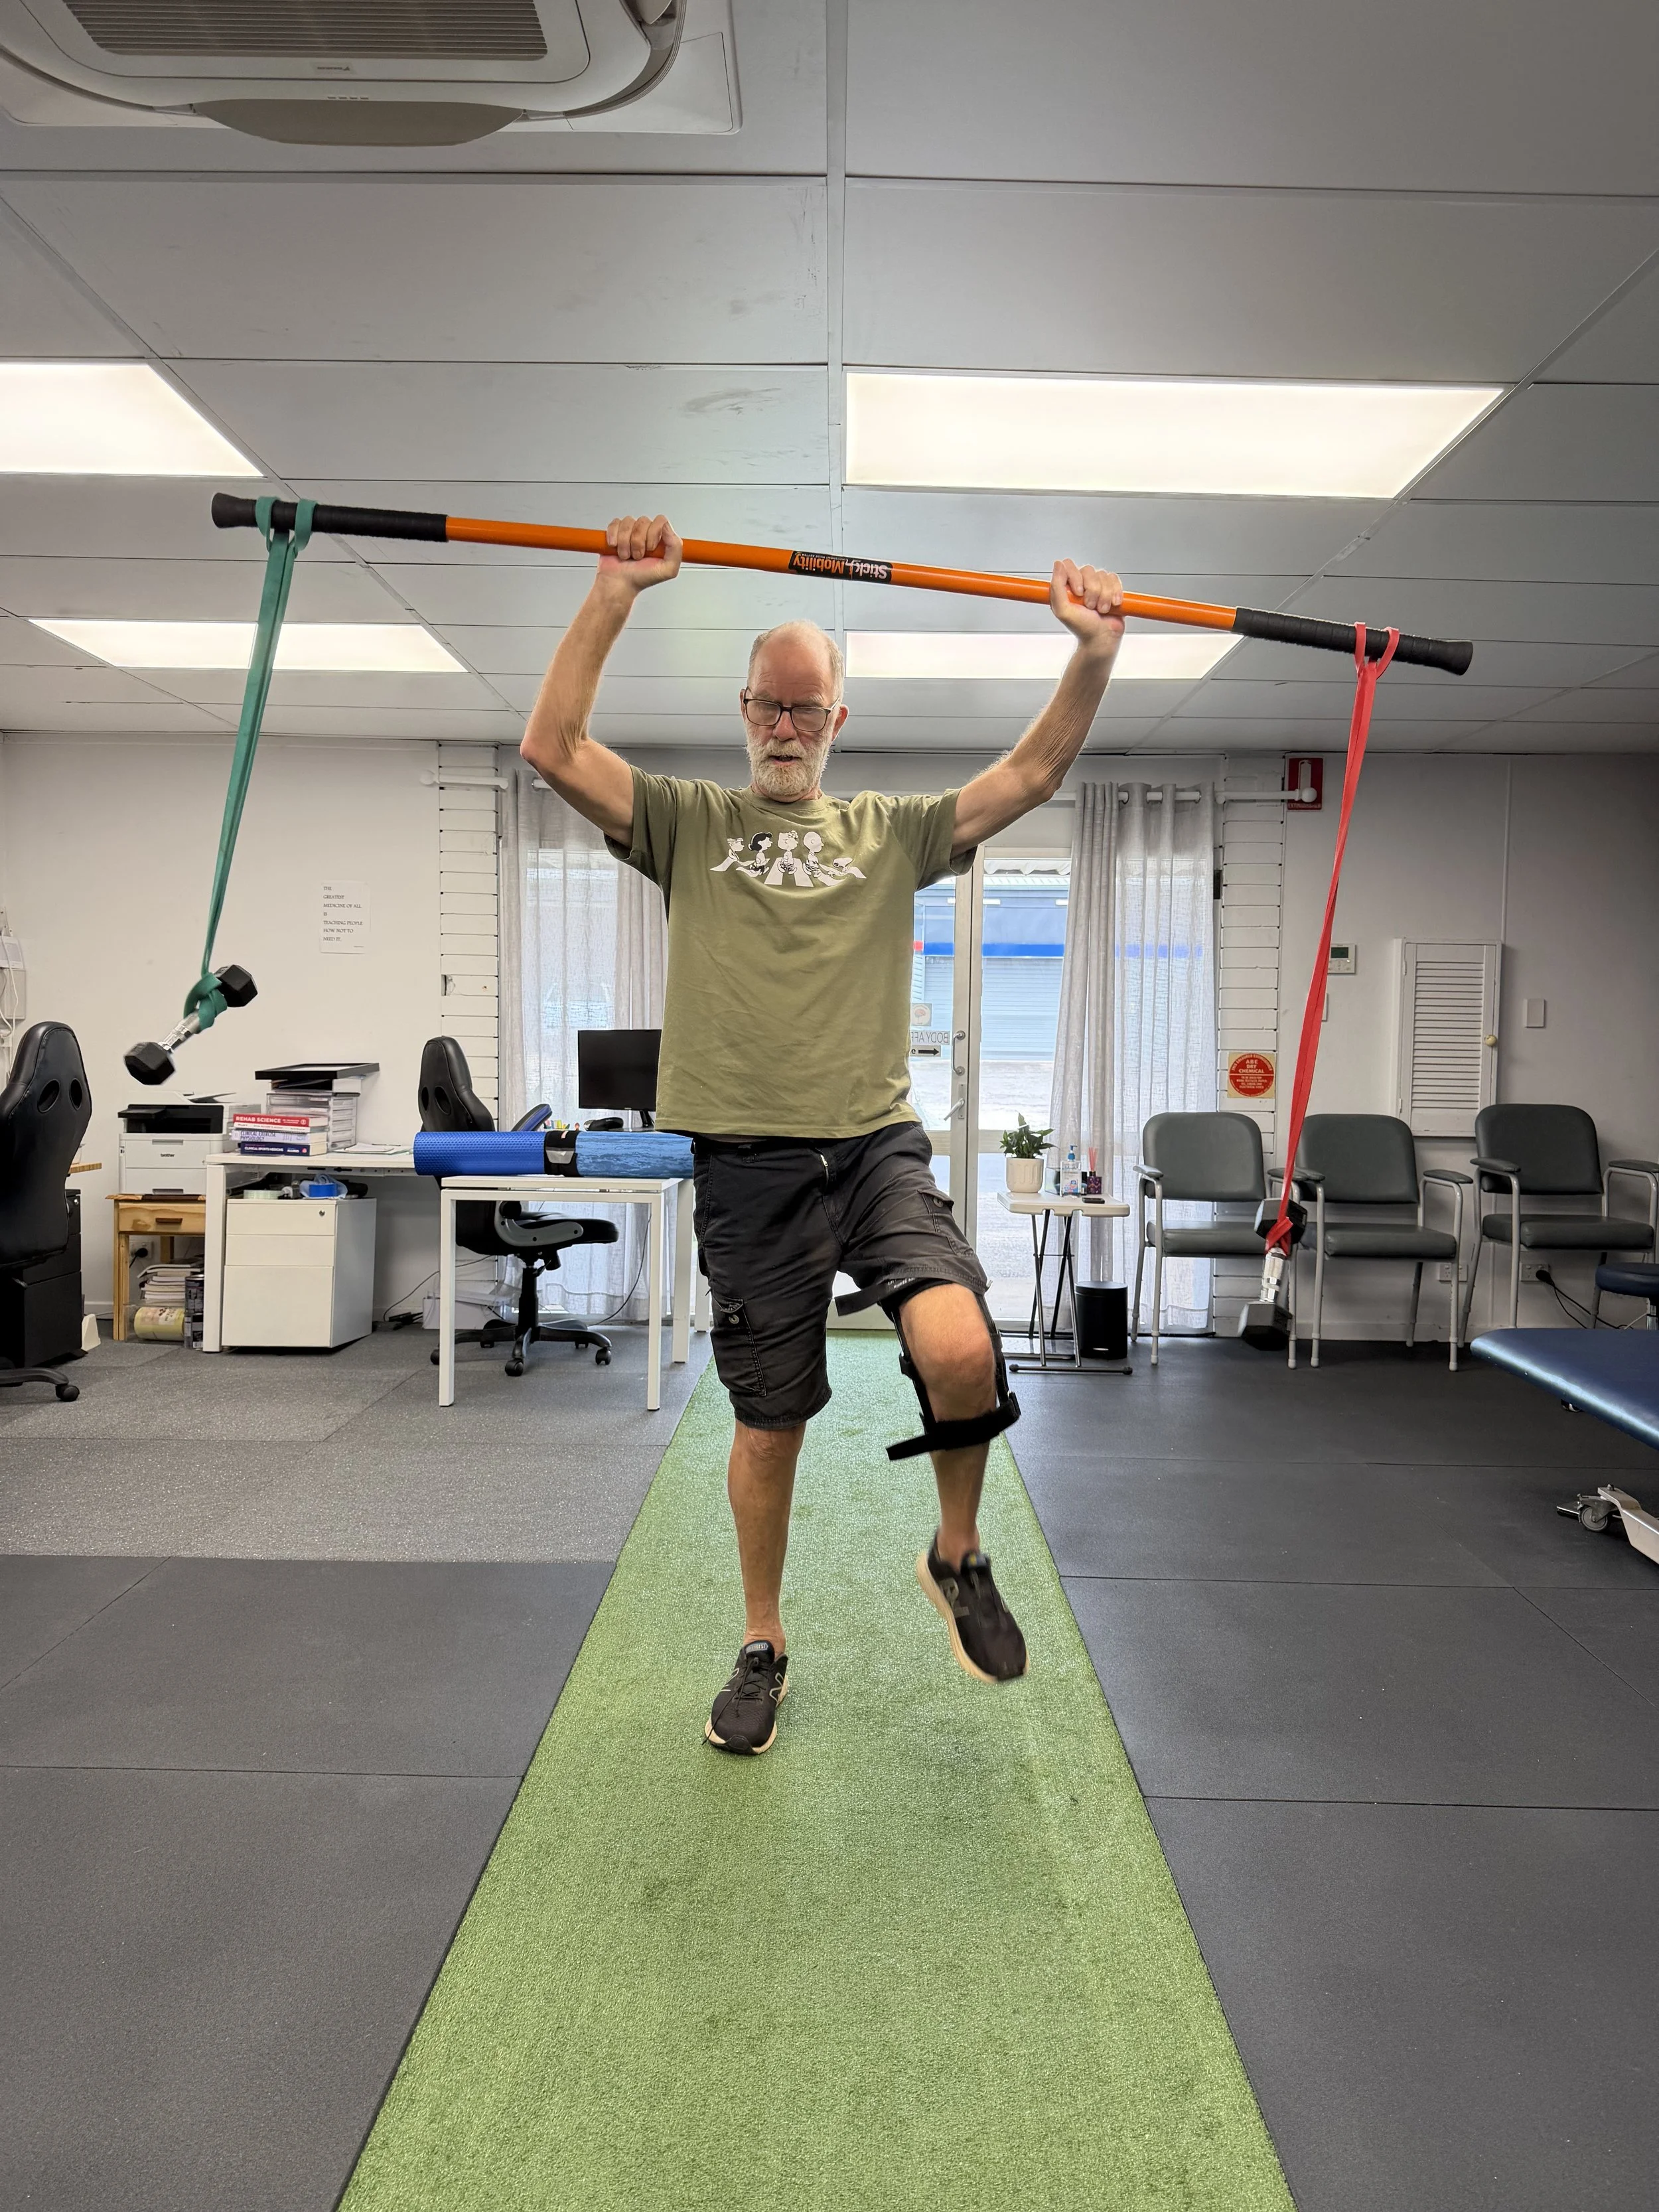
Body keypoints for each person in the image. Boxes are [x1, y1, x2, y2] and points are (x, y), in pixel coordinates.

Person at [522, 516, 1123, 1753]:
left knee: (961, 1345)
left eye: (807, 709)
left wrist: (1095, 655)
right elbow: (553, 745)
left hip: (872, 1146)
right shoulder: (692, 822)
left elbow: (1031, 780)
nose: (785, 728)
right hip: (747, 1166)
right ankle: (762, 1638)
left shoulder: (890, 835)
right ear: (745, 710)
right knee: (770, 1420)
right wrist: (612, 592)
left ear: (838, 720)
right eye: (768, 707)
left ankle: (957, 1554)